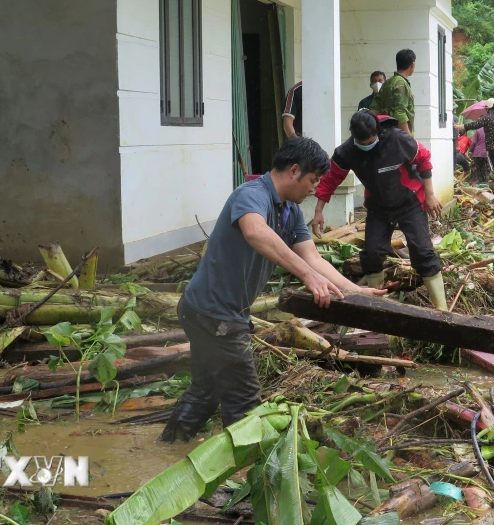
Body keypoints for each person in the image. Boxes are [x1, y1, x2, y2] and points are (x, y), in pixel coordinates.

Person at [159, 138, 386, 442]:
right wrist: (307, 276)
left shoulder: (289, 212)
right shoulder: (252, 194)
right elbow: (254, 231)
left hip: (209, 312)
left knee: (206, 389)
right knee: (243, 399)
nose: (314, 189)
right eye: (312, 180)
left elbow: (313, 257)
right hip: (214, 315)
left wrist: (355, 291)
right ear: (294, 170)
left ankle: (169, 448)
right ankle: (244, 477)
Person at [310, 110, 447, 309]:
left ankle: (442, 310)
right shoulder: (346, 152)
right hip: (379, 207)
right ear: (354, 136)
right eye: (361, 143)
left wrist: (430, 193)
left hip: (410, 202)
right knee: (372, 254)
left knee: (423, 251)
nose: (366, 146)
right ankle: (378, 305)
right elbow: (331, 180)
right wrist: (318, 212)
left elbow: (424, 159)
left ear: (378, 131)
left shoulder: (397, 139)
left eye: (370, 142)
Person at [456, 99, 494, 203]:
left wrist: (458, 126)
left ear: (488, 108)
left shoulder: (487, 118)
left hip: (493, 149)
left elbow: (473, 125)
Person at [372, 49, 416, 135]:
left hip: (385, 135)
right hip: (399, 139)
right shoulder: (401, 84)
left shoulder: (387, 83)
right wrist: (409, 140)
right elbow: (400, 114)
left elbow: (374, 109)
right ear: (412, 65)